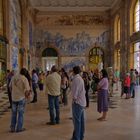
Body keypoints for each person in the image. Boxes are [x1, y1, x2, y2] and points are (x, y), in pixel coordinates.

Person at [9, 68, 30, 132]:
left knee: (13, 113)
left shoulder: (14, 77)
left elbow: (10, 87)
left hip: (14, 98)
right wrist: (27, 97)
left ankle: (12, 128)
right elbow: (27, 90)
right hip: (21, 98)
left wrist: (12, 93)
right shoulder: (24, 79)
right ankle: (19, 128)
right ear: (25, 73)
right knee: (20, 113)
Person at [71, 66, 86, 140]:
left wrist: (74, 100)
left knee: (77, 122)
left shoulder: (76, 79)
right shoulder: (80, 78)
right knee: (81, 121)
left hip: (77, 103)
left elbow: (75, 92)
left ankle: (77, 138)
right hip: (82, 102)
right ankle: (80, 136)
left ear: (73, 72)